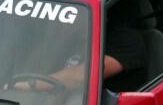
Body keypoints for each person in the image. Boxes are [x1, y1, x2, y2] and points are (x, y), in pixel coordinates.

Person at [13, 9, 147, 92]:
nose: (63, 20)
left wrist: (30, 85)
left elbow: (81, 76)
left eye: (72, 13)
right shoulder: (66, 39)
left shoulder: (125, 39)